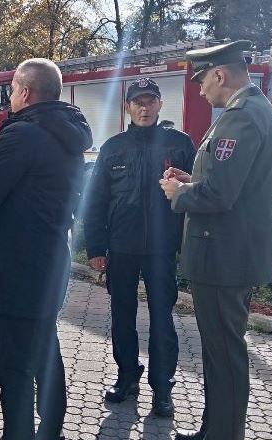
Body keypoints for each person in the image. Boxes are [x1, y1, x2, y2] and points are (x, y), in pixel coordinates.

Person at [0, 58, 92, 440]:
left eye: (13, 90)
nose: (10, 98)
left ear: (24, 92)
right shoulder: (70, 135)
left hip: (17, 269)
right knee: (47, 359)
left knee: (14, 369)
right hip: (50, 264)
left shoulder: (22, 134)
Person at [160, 40, 272, 440]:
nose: (200, 92)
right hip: (229, 252)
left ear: (219, 75)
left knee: (226, 357)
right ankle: (214, 435)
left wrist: (179, 193)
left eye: (201, 82)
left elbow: (220, 195)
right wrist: (192, 178)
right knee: (218, 353)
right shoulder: (252, 110)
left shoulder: (241, 116)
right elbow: (229, 182)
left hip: (225, 256)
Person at [84, 78, 196, 417]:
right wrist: (96, 247)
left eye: (150, 101)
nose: (144, 108)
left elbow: (198, 195)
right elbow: (96, 200)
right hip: (122, 247)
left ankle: (162, 388)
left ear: (160, 105)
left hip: (162, 250)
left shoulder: (180, 144)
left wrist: (189, 247)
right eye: (137, 102)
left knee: (162, 318)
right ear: (128, 107)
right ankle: (127, 377)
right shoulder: (113, 147)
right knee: (122, 316)